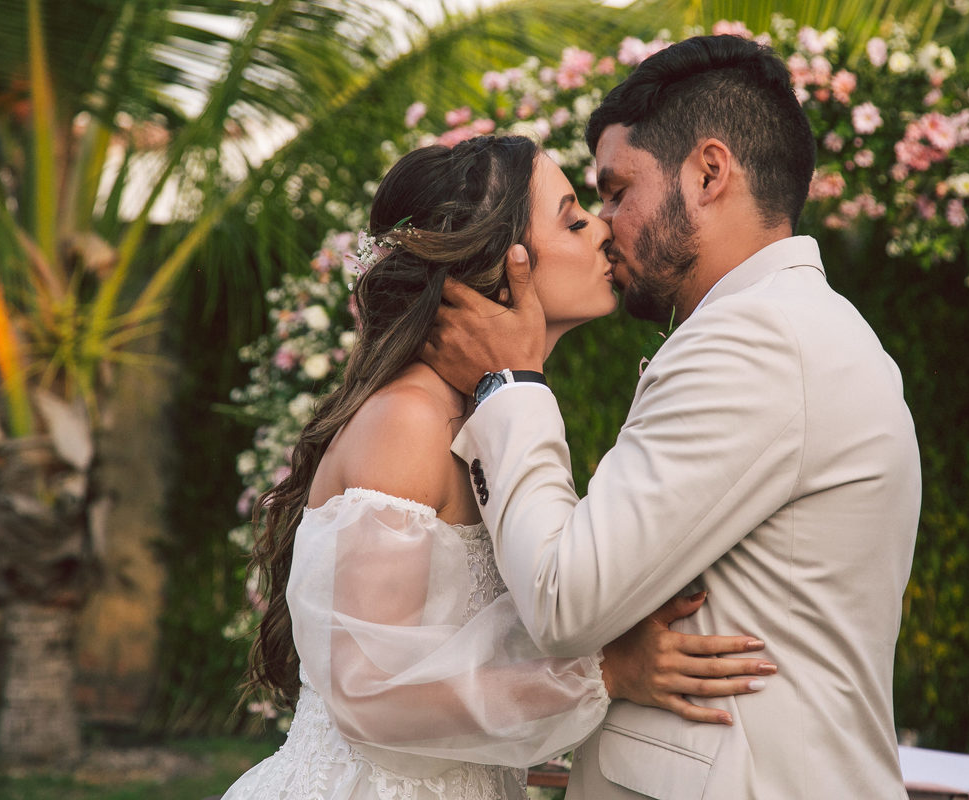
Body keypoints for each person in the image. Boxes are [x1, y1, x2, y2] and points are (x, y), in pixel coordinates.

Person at [422, 34, 922, 799]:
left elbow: (565, 598)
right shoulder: (790, 326)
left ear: (709, 172)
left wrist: (507, 384)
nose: (607, 224)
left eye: (618, 190)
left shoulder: (755, 340)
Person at [220, 135, 777, 800]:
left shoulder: (485, 418)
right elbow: (370, 699)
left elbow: (479, 636)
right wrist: (604, 675)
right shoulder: (411, 422)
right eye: (572, 218)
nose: (602, 228)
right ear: (494, 261)